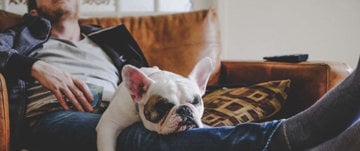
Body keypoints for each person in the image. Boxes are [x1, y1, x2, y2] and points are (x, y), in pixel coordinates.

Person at [0, 0, 359, 150]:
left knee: (154, 131)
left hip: (112, 106)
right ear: (33, 9)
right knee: (144, 141)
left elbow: (150, 93)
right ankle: (296, 132)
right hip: (53, 115)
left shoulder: (108, 40)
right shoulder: (19, 38)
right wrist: (34, 65)